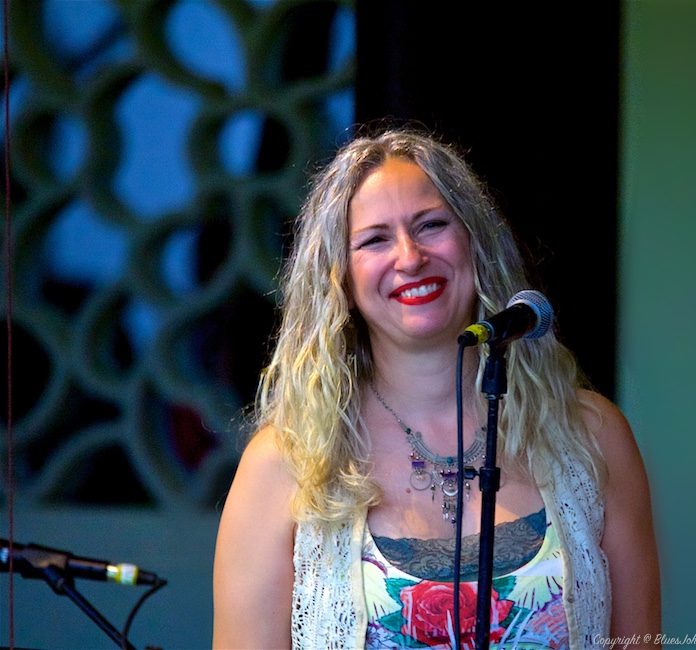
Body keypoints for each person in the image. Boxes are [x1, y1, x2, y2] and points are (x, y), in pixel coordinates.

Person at [212, 128, 660, 649]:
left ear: (474, 243)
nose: (410, 257)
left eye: (431, 225)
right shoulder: (284, 462)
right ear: (341, 281)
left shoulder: (591, 435)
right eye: (375, 240)